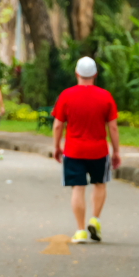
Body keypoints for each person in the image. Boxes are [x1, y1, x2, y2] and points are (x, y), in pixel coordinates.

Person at [52, 56, 121, 244]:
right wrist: (115, 151)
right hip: (99, 150)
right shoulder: (105, 96)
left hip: (73, 150)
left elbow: (58, 125)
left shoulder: (66, 95)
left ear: (76, 74)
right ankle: (95, 219)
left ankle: (80, 230)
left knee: (78, 188)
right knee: (99, 184)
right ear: (95, 75)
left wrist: (56, 147)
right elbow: (112, 127)